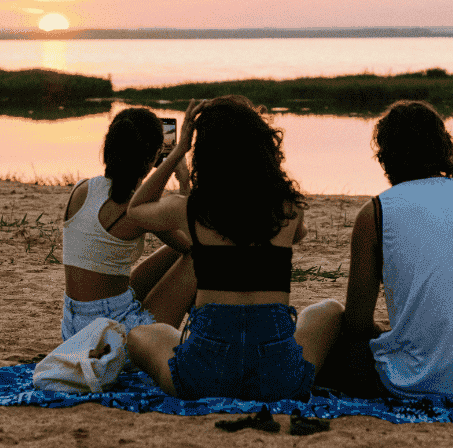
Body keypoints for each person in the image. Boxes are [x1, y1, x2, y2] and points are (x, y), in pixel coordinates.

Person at [126, 97, 343, 401]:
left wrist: (177, 151)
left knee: (139, 335)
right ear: (263, 146)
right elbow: (298, 235)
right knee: (329, 310)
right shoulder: (288, 207)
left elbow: (136, 209)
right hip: (278, 379)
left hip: (202, 377)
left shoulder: (190, 209)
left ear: (206, 153)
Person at [316, 99, 453, 402]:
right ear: (445, 147)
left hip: (414, 383)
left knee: (347, 341)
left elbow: (357, 325)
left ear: (385, 156)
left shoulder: (375, 212)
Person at [60, 108, 197, 343]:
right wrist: (184, 179)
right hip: (110, 338)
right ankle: (205, 331)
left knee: (174, 251)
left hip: (72, 329)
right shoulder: (135, 210)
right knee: (202, 256)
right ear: (154, 157)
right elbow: (195, 239)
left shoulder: (82, 188)